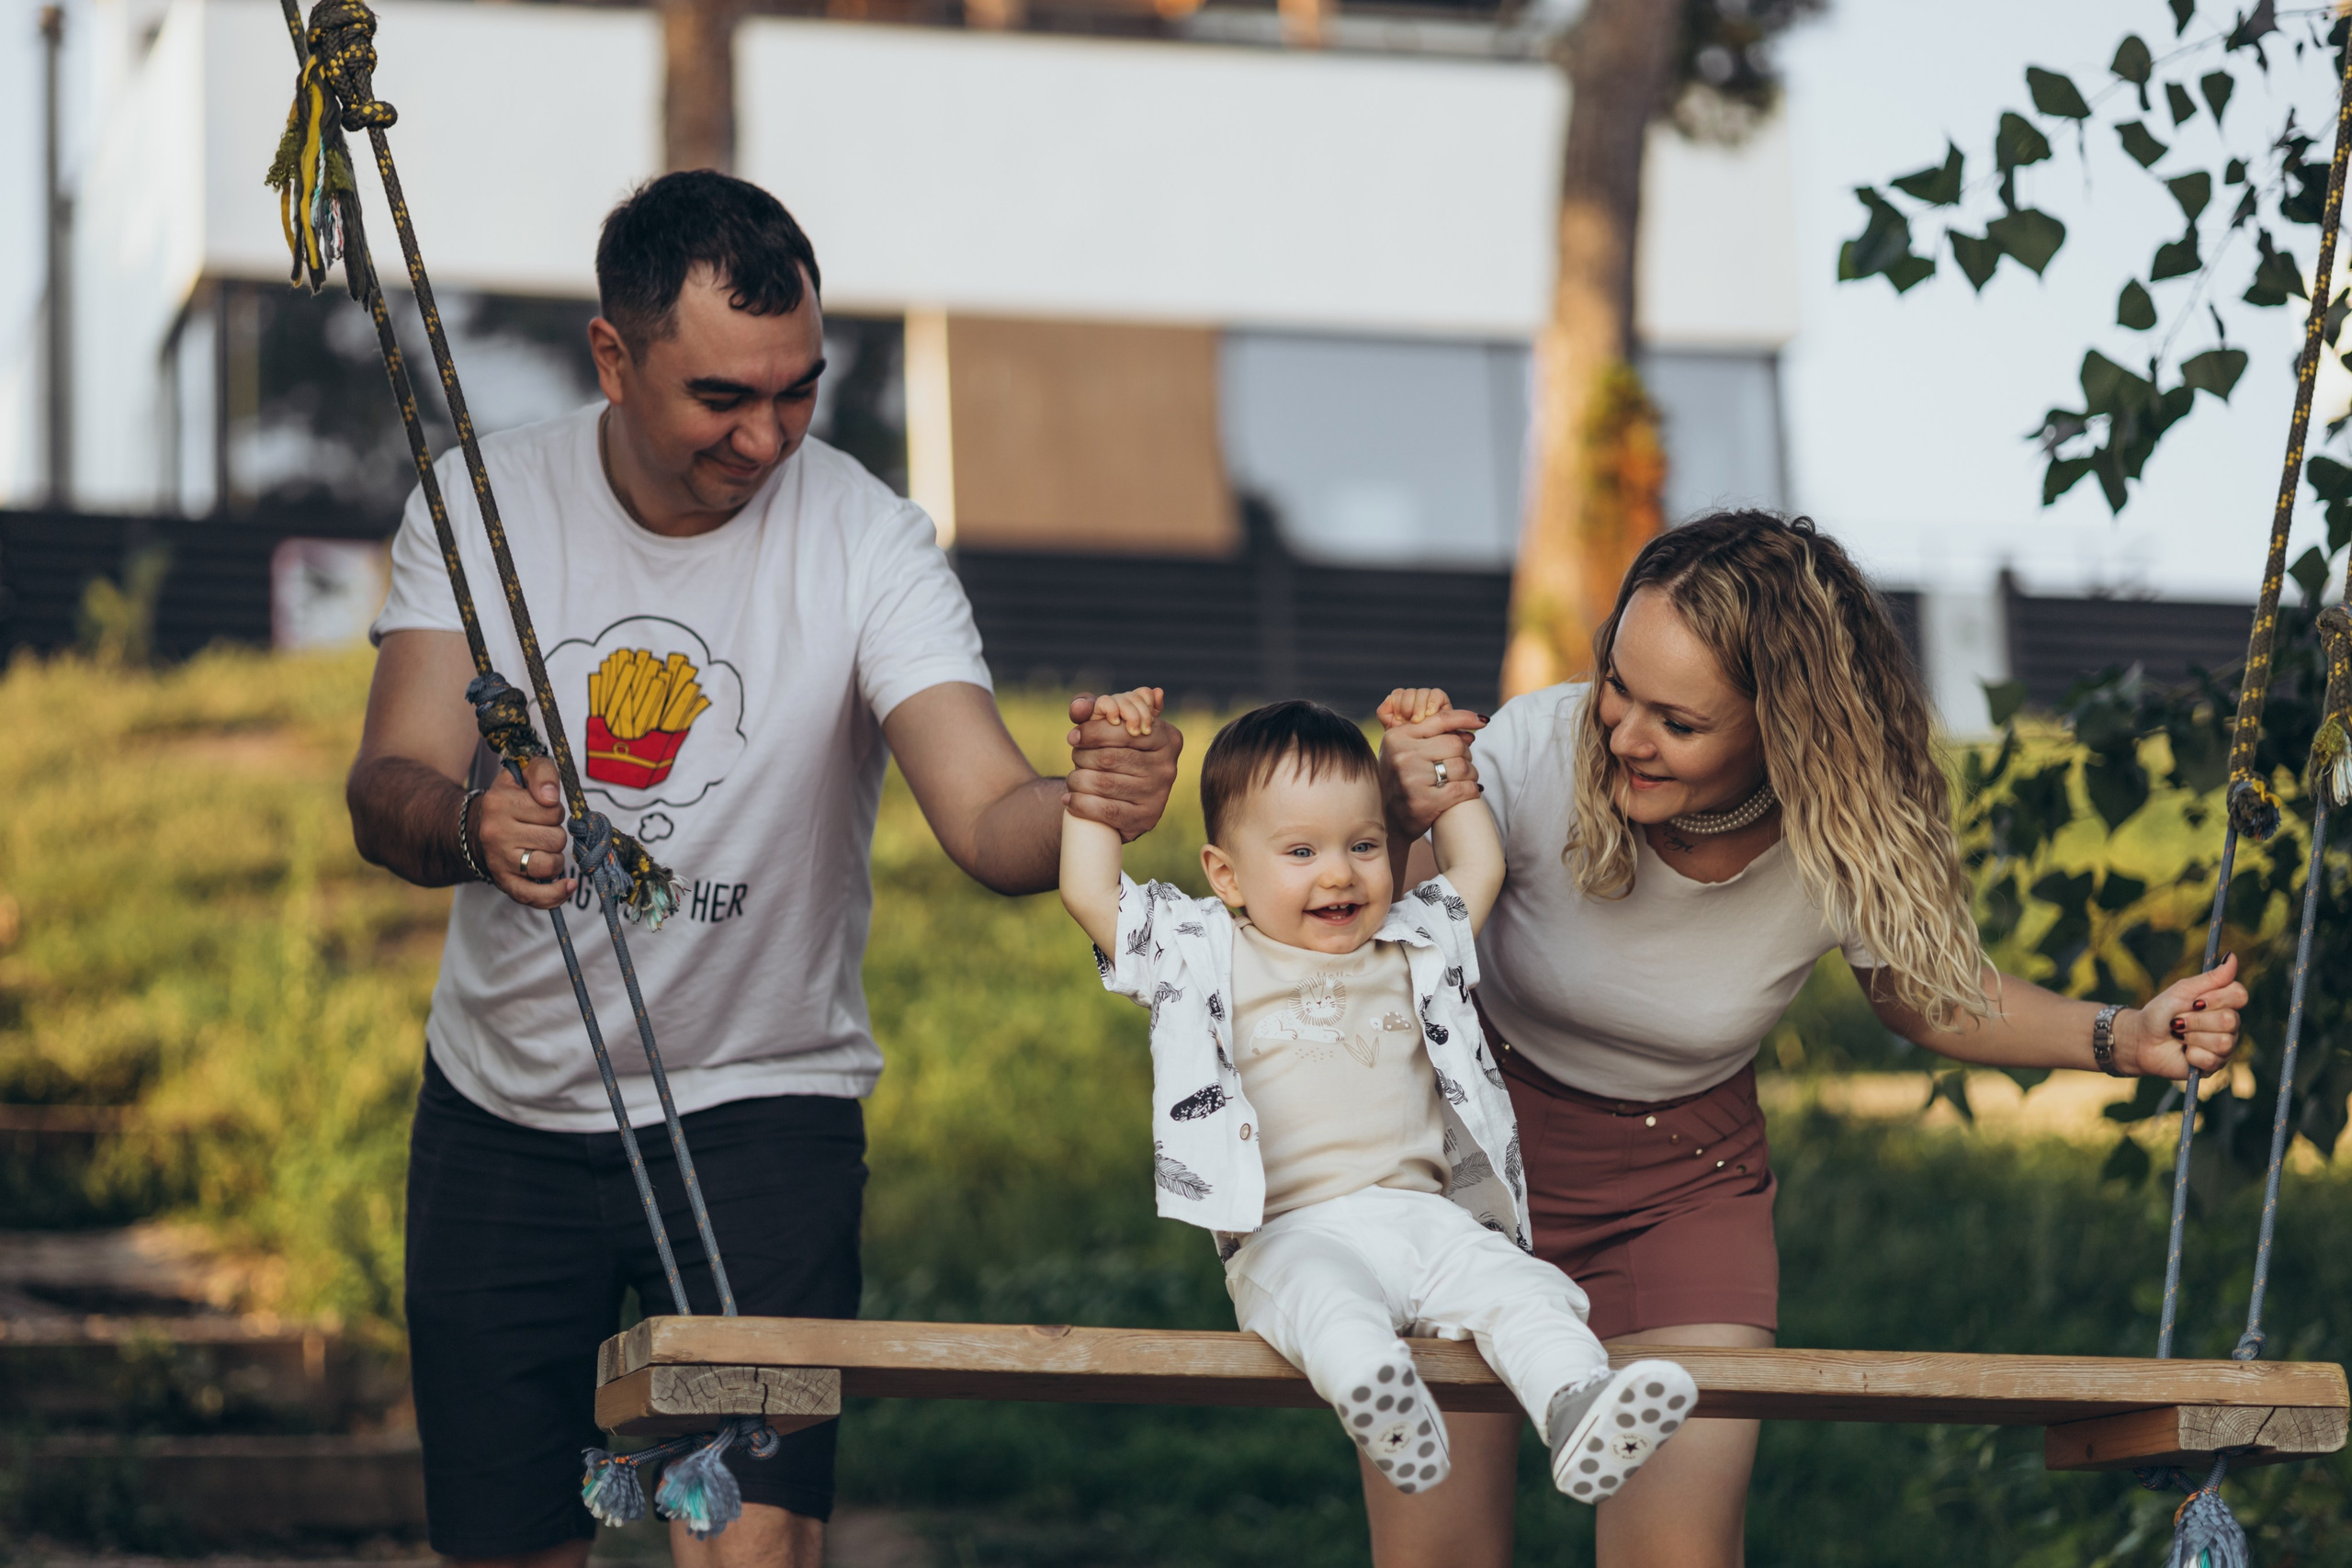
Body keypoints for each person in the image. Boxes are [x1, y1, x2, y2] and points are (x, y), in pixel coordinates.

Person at [345, 171, 1182, 1568]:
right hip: (503, 1117)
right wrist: (469, 821)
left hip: (759, 1120)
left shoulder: (865, 536)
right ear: (613, 357)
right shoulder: (478, 504)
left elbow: (985, 819)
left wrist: (1088, 803)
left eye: (800, 389)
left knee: (756, 1546)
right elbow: (387, 786)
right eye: (724, 397)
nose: (770, 433)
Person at [1370, 512, 2250, 1568]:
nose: (1622, 735)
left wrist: (2121, 1036)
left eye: (1677, 722)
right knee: (1438, 1556)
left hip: (1677, 1191)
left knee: (1677, 1557)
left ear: (1782, 727)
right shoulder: (1535, 747)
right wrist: (1399, 809)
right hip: (1462, 1168)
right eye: (1618, 686)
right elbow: (1385, 938)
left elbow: (1926, 995)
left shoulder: (1840, 826)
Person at [1057, 689, 1700, 1507]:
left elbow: (1479, 867)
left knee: (1524, 1288)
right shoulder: (1202, 950)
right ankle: (1383, 1401)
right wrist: (1096, 785)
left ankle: (1577, 1406)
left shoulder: (1410, 939)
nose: (1340, 872)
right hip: (1290, 1231)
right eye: (1300, 852)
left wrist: (1439, 765)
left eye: (1364, 844)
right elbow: (1090, 892)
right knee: (1328, 1307)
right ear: (1226, 874)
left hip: (1426, 1219)